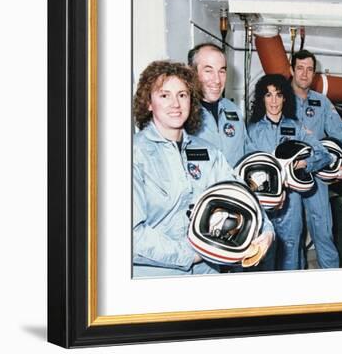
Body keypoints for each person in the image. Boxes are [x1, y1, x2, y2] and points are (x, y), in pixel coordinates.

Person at [132, 60, 273, 277]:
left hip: (208, 272)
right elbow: (131, 236)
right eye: (164, 95)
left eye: (182, 95)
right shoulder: (133, 154)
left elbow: (239, 193)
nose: (175, 103)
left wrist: (265, 229)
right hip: (158, 277)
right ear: (148, 103)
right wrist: (193, 254)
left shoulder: (208, 152)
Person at [246, 74, 331, 271]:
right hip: (262, 203)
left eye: (278, 95)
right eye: (268, 95)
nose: (274, 101)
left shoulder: (296, 127)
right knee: (263, 255)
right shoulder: (252, 130)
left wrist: (302, 164)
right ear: (262, 99)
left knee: (292, 256)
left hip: (291, 204)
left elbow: (324, 154)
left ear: (286, 98)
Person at [289, 50, 342, 269]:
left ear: (314, 73)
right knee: (292, 238)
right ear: (292, 70)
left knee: (324, 233)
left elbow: (340, 132)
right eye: (300, 68)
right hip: (289, 178)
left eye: (309, 69)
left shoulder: (321, 102)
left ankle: (332, 288)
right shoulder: (279, 99)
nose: (304, 74)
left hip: (316, 176)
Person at [188, 43, 248, 167]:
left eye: (221, 71)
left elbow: (247, 149)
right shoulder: (181, 114)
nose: (217, 80)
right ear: (191, 72)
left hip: (234, 185)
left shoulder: (233, 109)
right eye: (208, 70)